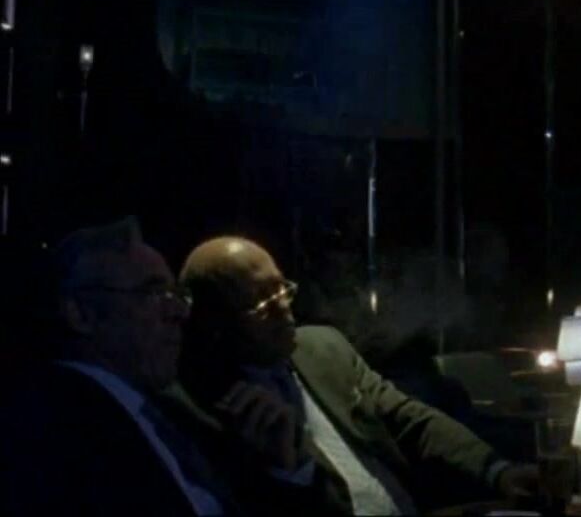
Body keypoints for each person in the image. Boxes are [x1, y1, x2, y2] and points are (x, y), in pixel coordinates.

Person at [170, 235, 539, 515]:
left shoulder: (322, 348)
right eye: (263, 303)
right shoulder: (210, 409)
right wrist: (289, 468)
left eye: (282, 288)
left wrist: (497, 471)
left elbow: (409, 419)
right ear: (217, 325)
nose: (284, 308)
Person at [0, 217, 241, 516]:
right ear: (81, 315)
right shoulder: (46, 429)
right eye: (153, 293)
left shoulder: (177, 415)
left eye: (179, 295)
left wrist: (284, 466)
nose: (179, 312)